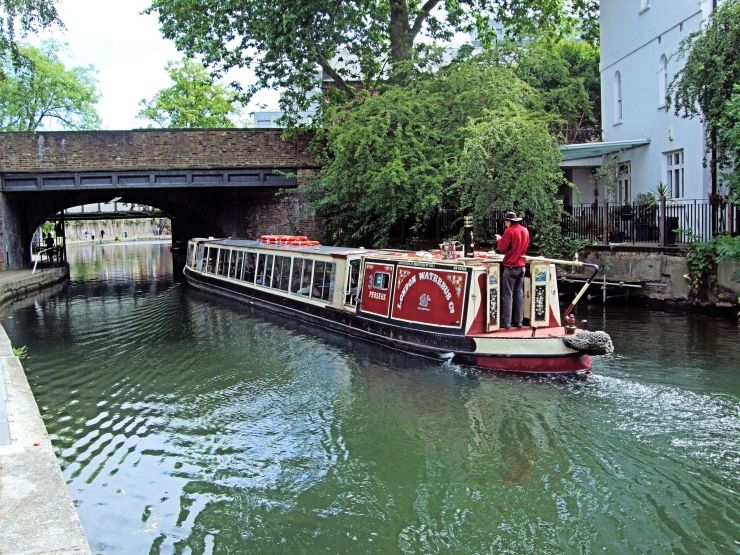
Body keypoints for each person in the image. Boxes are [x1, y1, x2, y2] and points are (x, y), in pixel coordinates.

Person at [494, 211, 530, 329]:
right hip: (521, 266)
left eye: (505, 222)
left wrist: (499, 239)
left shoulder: (509, 231)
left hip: (510, 267)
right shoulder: (525, 230)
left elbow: (501, 248)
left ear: (508, 221)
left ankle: (506, 322)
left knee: (507, 295)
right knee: (519, 294)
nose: (505, 224)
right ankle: (518, 322)